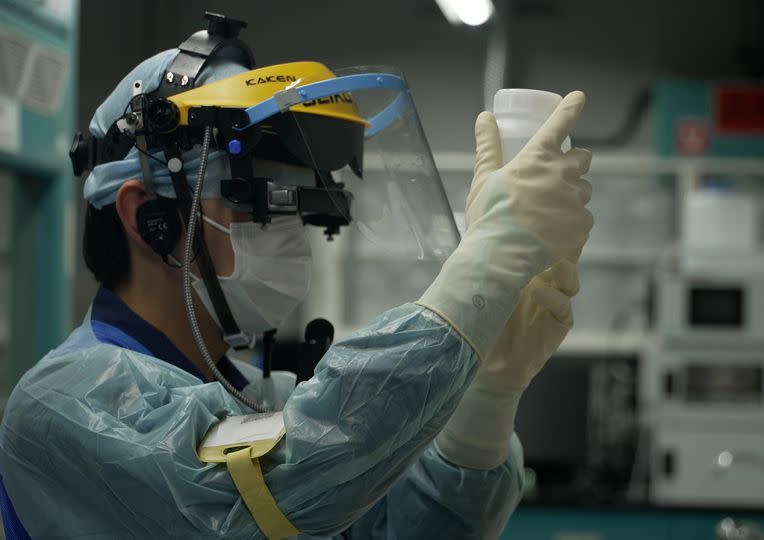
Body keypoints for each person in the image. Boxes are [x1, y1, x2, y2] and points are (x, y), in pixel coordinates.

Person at [0, 13, 592, 540]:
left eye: (301, 207)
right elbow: (258, 500)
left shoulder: (260, 398)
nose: (292, 235)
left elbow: (408, 528)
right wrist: (480, 272)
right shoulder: (65, 407)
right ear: (148, 217)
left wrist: (486, 404)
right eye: (260, 202)